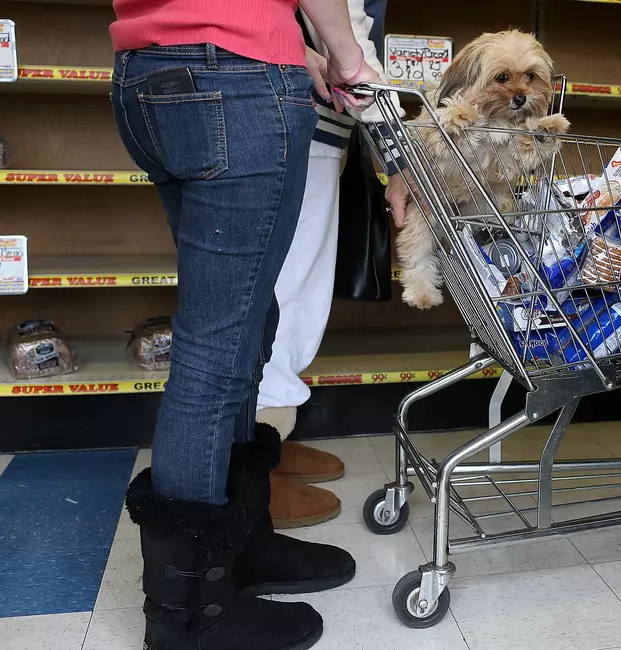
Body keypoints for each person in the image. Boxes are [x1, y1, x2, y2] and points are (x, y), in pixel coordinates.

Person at [108, 1, 380, 648]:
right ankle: (186, 618)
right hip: (238, 83)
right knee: (216, 348)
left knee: (246, 323)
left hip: (149, 72)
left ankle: (237, 548)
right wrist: (347, 56)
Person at [255, 0, 406, 529]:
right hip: (288, 112)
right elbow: (347, 40)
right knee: (283, 296)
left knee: (287, 293)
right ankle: (252, 475)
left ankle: (265, 446)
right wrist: (394, 143)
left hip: (303, 116)